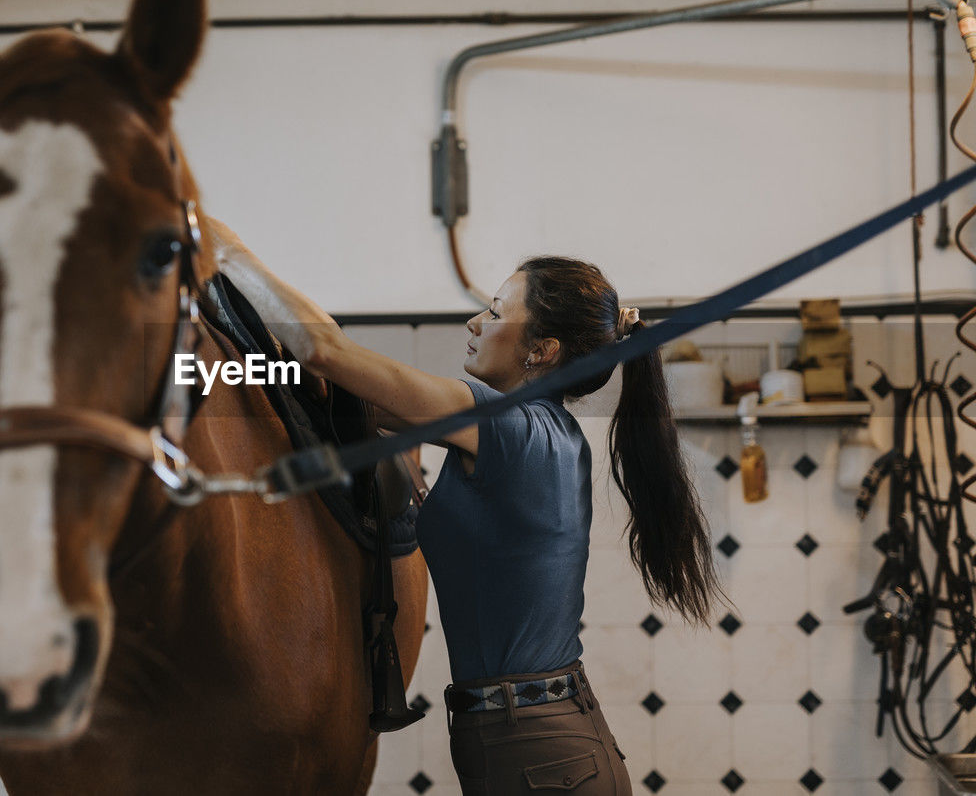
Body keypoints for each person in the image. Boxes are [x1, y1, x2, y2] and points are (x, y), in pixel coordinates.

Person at [203, 216, 723, 795]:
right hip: (545, 744)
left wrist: (227, 252)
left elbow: (325, 353)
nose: (475, 322)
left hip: (536, 756)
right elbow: (349, 400)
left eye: (497, 313)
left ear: (542, 350)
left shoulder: (505, 422)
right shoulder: (547, 431)